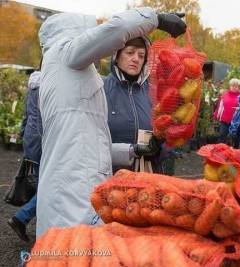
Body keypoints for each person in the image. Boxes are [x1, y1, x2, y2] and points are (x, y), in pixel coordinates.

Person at [36, 8, 186, 237]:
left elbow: (92, 142)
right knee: (74, 252)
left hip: (78, 184)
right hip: (72, 192)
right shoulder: (65, 53)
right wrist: (157, 18)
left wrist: (131, 150)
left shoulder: (70, 73)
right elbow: (116, 29)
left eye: (141, 54)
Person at [103, 37, 165, 173]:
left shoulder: (155, 92)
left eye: (141, 55)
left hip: (147, 182)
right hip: (111, 179)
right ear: (117, 56)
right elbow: (92, 144)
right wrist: (131, 151)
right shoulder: (101, 90)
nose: (136, 59)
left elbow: (167, 135)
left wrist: (159, 149)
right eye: (130, 52)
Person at [7, 70, 42, 242]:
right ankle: (21, 217)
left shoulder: (33, 87)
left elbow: (26, 116)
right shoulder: (50, 86)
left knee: (43, 184)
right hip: (42, 142)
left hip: (31, 140)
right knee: (47, 186)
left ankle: (23, 219)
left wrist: (24, 137)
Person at [213, 78, 240, 145]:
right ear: (230, 86)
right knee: (222, 136)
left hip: (236, 122)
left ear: (238, 87)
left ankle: (234, 152)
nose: (234, 87)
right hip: (225, 120)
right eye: (232, 85)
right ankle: (219, 151)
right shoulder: (224, 95)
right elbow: (220, 106)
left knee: (235, 138)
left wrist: (239, 109)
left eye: (236, 86)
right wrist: (216, 115)